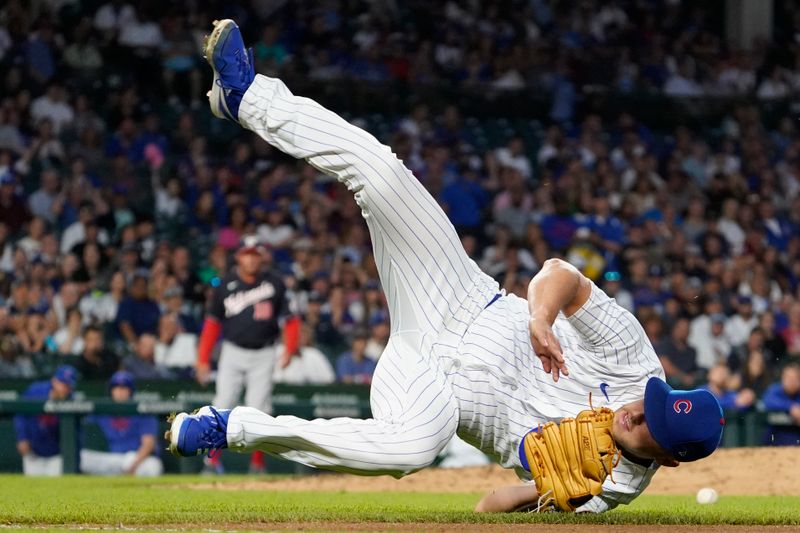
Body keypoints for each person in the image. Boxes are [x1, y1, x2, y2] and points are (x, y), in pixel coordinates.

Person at [167, 20, 725, 514]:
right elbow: (563, 275)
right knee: (382, 173)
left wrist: (545, 485)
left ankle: (229, 428)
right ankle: (246, 97)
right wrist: (540, 318)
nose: (639, 412)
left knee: (411, 448)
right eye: (651, 405)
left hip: (434, 386)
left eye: (655, 425)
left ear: (668, 462)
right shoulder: (636, 363)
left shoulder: (617, 485)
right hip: (460, 297)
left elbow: (491, 505)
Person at [194, 234, 300, 474]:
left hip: (264, 353)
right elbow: (212, 324)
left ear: (260, 257)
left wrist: (290, 349)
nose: (251, 260)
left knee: (259, 410)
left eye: (255, 255)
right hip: (232, 351)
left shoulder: (274, 283)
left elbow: (291, 320)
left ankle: (257, 465)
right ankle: (211, 462)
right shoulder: (224, 285)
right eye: (246, 255)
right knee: (221, 405)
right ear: (239, 257)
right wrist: (202, 359)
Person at [80, 371, 163, 476]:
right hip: (110, 459)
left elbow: (148, 444)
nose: (120, 391)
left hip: (133, 458)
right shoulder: (102, 410)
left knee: (153, 466)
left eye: (124, 388)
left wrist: (133, 465)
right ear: (111, 391)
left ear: (130, 391)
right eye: (116, 387)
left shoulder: (142, 410)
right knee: (82, 458)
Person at [13, 365, 78, 476]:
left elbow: (75, 434)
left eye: (68, 385)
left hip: (56, 455)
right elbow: (20, 414)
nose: (65, 388)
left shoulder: (72, 401)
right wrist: (22, 438)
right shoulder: (36, 391)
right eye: (62, 383)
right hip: (32, 452)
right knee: (32, 488)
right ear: (54, 381)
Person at [762, 363, 800, 446]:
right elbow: (768, 400)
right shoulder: (774, 390)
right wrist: (791, 407)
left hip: (796, 435)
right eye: (789, 378)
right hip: (775, 435)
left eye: (795, 378)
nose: (792, 381)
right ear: (782, 379)